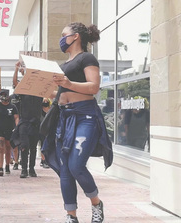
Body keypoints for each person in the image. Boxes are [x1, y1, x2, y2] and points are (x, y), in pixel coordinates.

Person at [49, 22, 113, 223]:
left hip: (85, 116)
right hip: (64, 118)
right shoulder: (61, 66)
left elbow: (94, 86)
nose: (61, 38)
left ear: (75, 36)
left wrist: (68, 84)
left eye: (64, 34)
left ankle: (96, 203)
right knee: (65, 170)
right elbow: (58, 93)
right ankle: (71, 216)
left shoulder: (87, 58)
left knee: (76, 165)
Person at [11, 61, 43, 178]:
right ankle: (23, 169)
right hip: (24, 122)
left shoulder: (40, 92)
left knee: (33, 147)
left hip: (35, 123)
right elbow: (15, 83)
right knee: (24, 145)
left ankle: (32, 169)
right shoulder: (24, 91)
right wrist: (17, 70)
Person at [0, 91, 19, 176]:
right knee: (0, 148)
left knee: (8, 149)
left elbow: (16, 117)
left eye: (5, 95)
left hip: (9, 130)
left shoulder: (12, 107)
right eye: (2, 95)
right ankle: (0, 168)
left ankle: (7, 165)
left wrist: (17, 128)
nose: (4, 97)